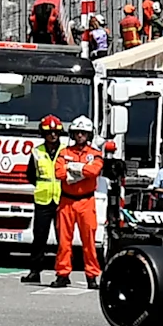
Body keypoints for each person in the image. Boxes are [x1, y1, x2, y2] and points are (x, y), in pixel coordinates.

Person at [53, 120, 105, 287]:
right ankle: (62, 274)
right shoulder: (64, 152)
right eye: (77, 132)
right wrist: (82, 169)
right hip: (66, 201)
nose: (80, 135)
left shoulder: (95, 153)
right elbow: (59, 172)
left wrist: (73, 168)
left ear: (89, 134)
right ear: (73, 134)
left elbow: (94, 171)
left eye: (83, 132)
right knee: (63, 242)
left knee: (89, 241)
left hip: (86, 201)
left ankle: (91, 276)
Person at [22, 117, 62, 283]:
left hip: (62, 199)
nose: (53, 135)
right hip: (43, 200)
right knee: (39, 238)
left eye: (55, 132)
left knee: (63, 239)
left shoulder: (66, 151)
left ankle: (62, 273)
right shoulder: (37, 151)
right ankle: (35, 271)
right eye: (49, 133)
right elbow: (30, 175)